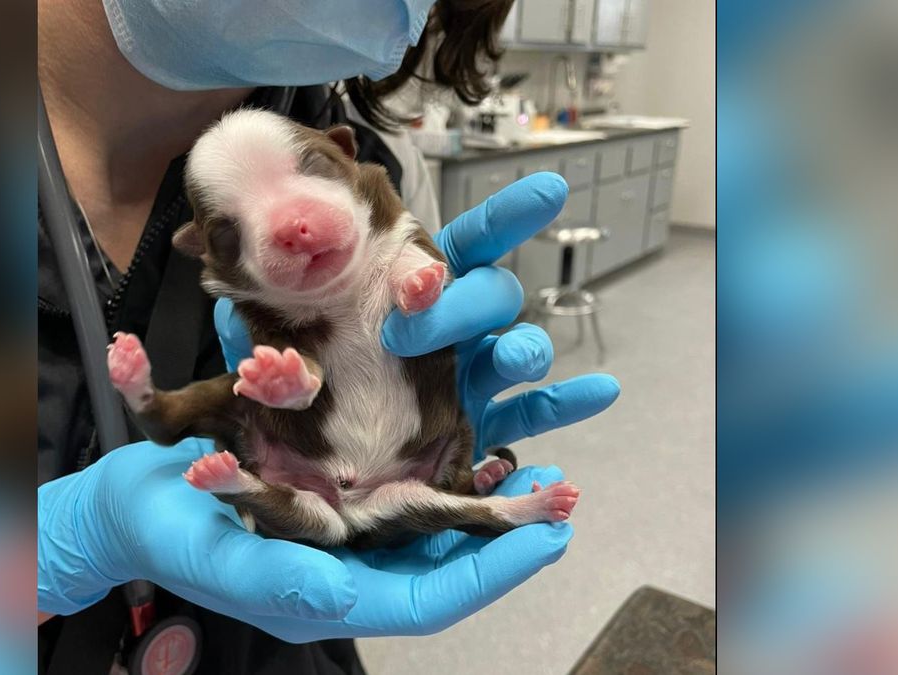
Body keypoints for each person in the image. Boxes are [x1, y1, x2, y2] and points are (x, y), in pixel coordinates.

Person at [37, 1, 621, 673]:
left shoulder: (371, 158)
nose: (295, 226)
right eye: (233, 229)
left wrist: (429, 430)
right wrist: (58, 544)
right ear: (208, 247)